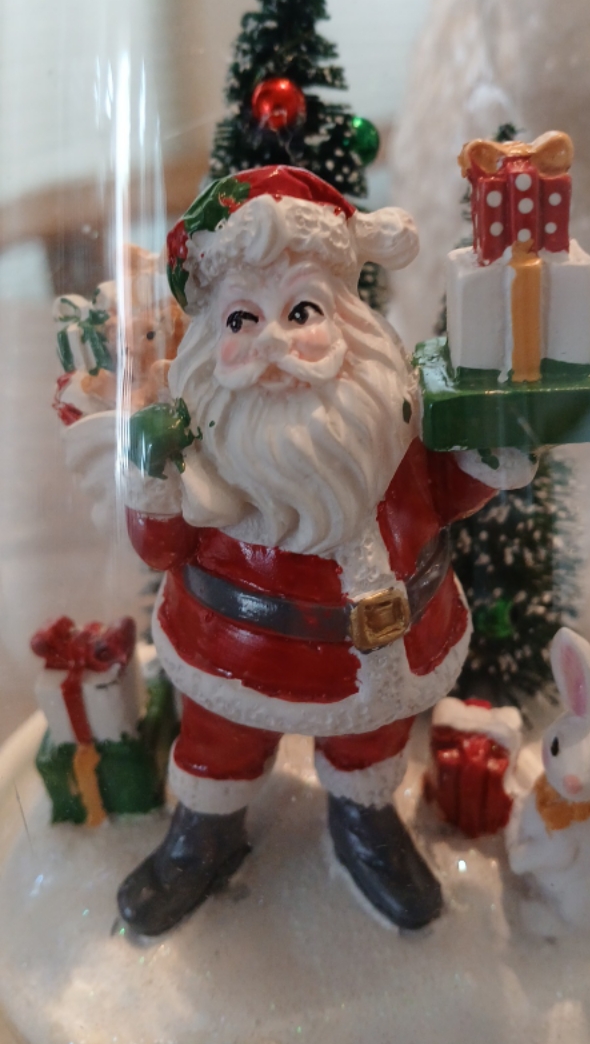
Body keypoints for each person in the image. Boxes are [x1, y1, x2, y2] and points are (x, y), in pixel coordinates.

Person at [118, 165, 536, 935]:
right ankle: (205, 833)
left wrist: (491, 458)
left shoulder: (384, 421)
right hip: (234, 652)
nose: (274, 341)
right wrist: (151, 480)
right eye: (242, 319)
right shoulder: (201, 448)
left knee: (371, 745)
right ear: (212, 337)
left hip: (385, 652)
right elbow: (161, 545)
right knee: (218, 743)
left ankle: (364, 821)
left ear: (346, 317)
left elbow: (440, 494)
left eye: (301, 310)